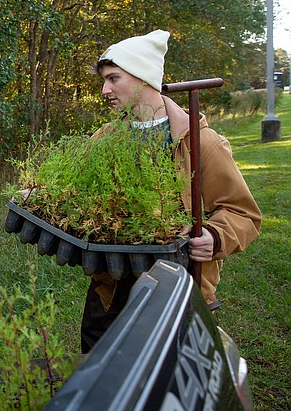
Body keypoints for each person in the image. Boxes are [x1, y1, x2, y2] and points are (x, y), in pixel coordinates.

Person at [82, 29, 261, 353]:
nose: (104, 89)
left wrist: (215, 237)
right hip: (110, 292)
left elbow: (242, 213)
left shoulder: (200, 142)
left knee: (169, 389)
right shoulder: (105, 139)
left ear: (141, 77)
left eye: (113, 78)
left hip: (180, 292)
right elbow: (71, 192)